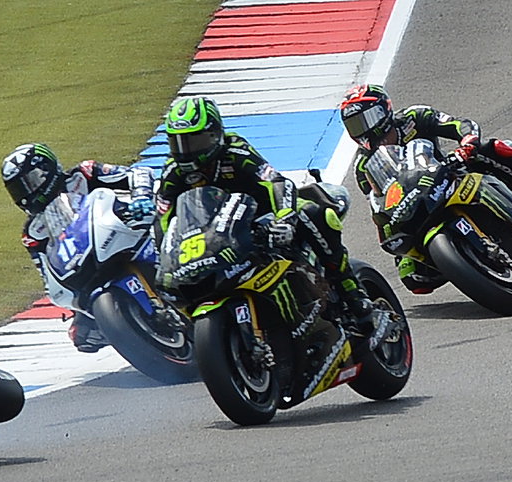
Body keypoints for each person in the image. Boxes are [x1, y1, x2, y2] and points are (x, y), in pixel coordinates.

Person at [155, 95, 382, 334]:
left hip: (261, 218)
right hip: (214, 238)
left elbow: (276, 182)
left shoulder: (235, 151)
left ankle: (351, 290)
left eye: (194, 141)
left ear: (215, 134)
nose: (186, 151)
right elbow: (163, 219)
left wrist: (285, 218)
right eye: (177, 143)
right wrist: (165, 255)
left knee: (313, 213)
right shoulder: (173, 171)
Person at [339, 83, 512, 293]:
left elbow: (459, 125)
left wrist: (467, 142)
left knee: (493, 149)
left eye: (368, 118)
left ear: (385, 110)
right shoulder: (363, 166)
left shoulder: (413, 118)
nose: (365, 128)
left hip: (449, 173)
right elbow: (379, 200)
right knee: (413, 277)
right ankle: (467, 262)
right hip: (415, 205)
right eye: (355, 125)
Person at [0, 142, 158, 353]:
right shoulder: (34, 232)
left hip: (133, 228)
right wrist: (73, 305)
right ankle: (137, 335)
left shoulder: (85, 173)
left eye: (30, 182)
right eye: (19, 189)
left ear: (47, 170)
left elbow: (138, 173)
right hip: (89, 261)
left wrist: (141, 197)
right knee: (83, 335)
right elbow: (47, 274)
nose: (26, 193)